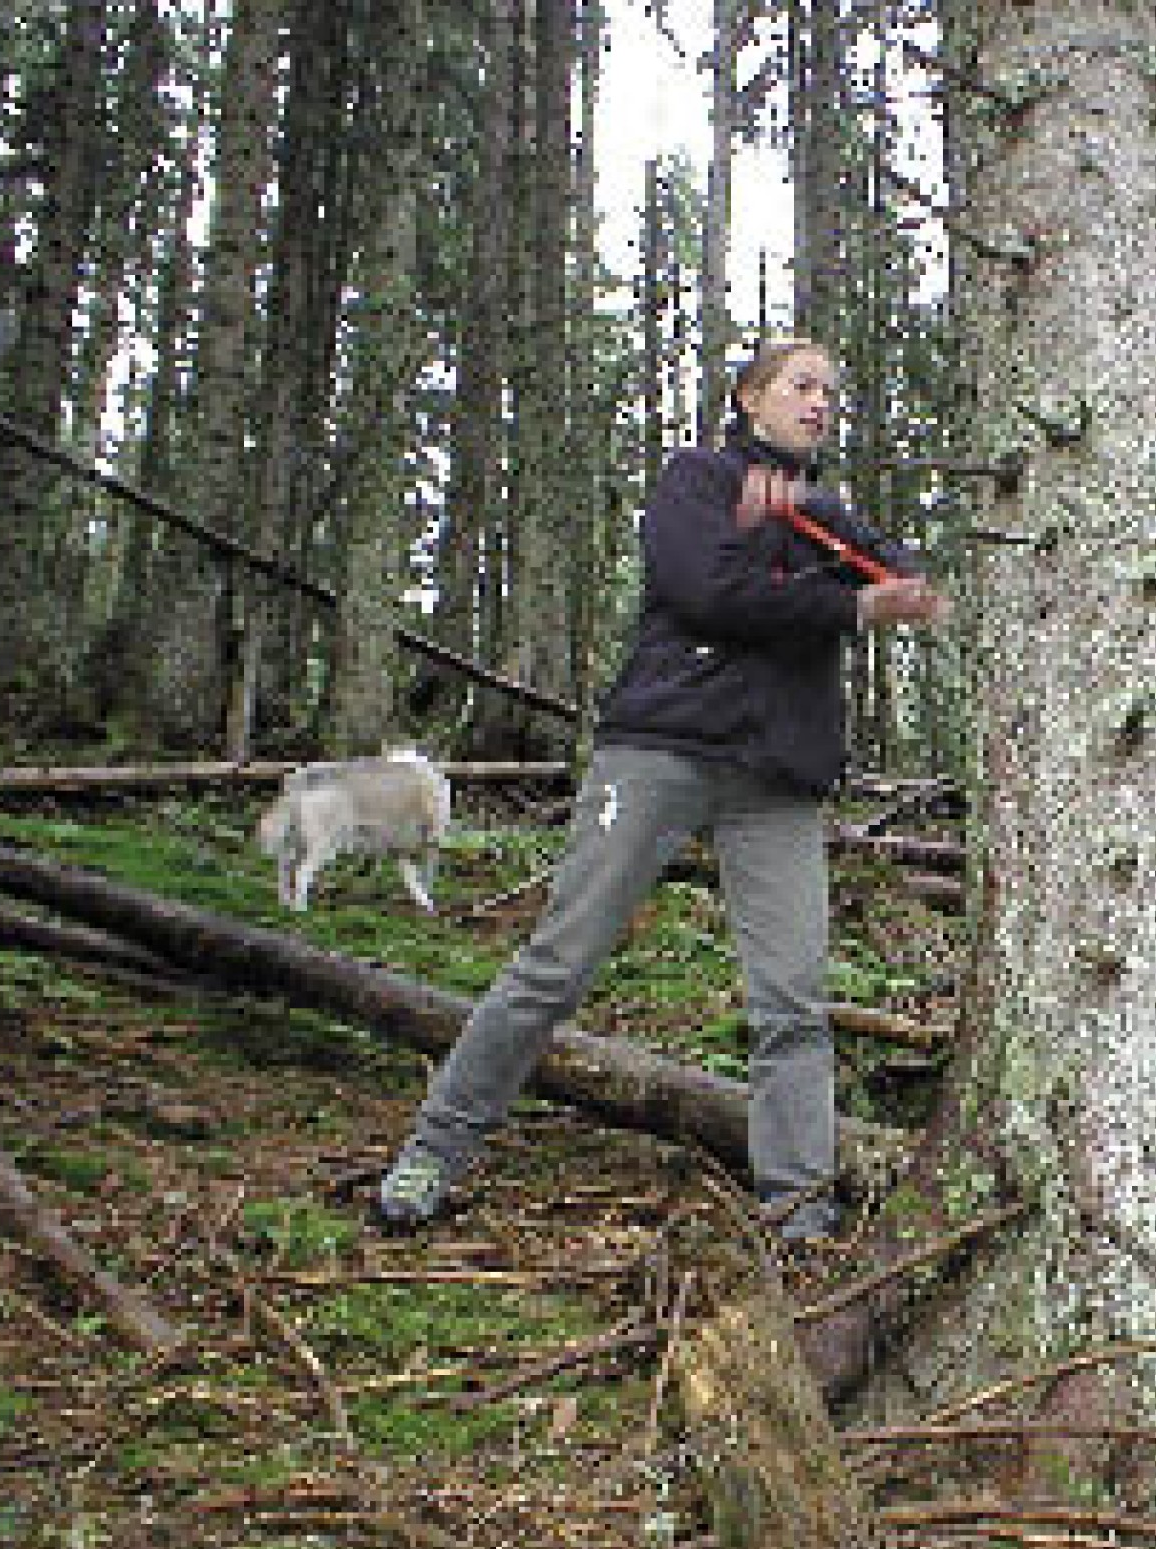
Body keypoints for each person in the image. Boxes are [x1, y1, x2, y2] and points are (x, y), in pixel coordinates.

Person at [375, 337, 950, 1243]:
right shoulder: (697, 480)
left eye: (830, 393)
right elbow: (704, 591)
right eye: (802, 386)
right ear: (752, 399)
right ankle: (433, 1151)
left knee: (792, 1001)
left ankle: (797, 1206)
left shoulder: (823, 513)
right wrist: (841, 603)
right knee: (557, 965)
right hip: (663, 749)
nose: (820, 404)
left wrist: (849, 552)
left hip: (778, 777)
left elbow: (909, 581)